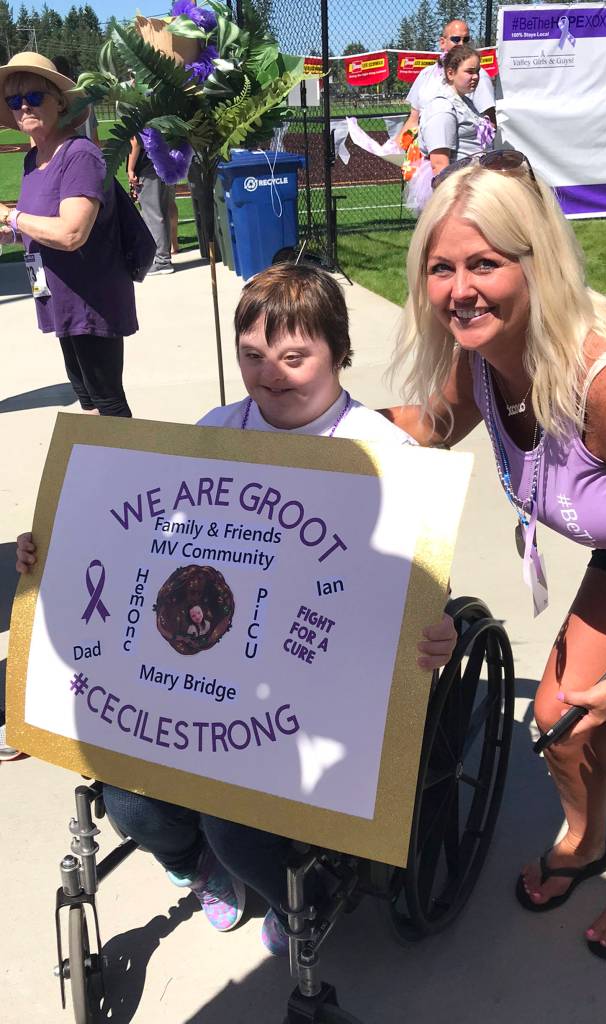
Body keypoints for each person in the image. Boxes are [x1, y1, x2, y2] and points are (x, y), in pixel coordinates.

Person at [16, 263, 458, 955]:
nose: (271, 374)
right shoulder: (218, 430)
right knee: (131, 800)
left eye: (293, 357)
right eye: (252, 356)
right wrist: (61, 547)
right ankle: (197, 868)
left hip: (303, 690)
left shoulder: (381, 453)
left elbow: (412, 583)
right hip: (202, 668)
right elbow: (151, 537)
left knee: (235, 823)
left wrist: (436, 632)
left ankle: (295, 897)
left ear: (338, 351)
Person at [383, 153, 606, 963]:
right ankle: (583, 842)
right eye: (441, 268)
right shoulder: (480, 355)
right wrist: (289, 423)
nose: (458, 289)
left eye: (484, 263)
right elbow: (428, 430)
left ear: (534, 262)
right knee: (555, 719)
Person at [0, 52, 137, 417]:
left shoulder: (79, 155)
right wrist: (11, 235)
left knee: (107, 402)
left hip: (89, 298)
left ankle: (128, 472)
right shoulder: (34, 159)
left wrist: (13, 217)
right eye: (14, 100)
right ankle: (101, 469)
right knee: (88, 399)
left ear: (60, 101)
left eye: (33, 96)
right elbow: (38, 225)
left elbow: (71, 233)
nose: (23, 106)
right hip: (57, 296)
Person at [406, 46, 495, 214]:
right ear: (450, 73)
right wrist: (452, 208)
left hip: (473, 184)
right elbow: (440, 165)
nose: (475, 77)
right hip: (458, 190)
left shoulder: (465, 102)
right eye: (469, 71)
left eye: (477, 71)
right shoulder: (442, 107)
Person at [398, 18, 496, 141]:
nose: (461, 44)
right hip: (424, 153)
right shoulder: (426, 74)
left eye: (466, 40)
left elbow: (490, 123)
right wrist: (395, 149)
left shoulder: (477, 75)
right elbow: (413, 119)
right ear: (442, 42)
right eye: (456, 39)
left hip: (460, 154)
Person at [128, 133, 175, 275]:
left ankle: (162, 260)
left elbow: (136, 142)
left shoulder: (134, 112)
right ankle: (163, 258)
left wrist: (130, 168)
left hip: (147, 167)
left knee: (153, 215)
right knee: (162, 212)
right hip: (164, 162)